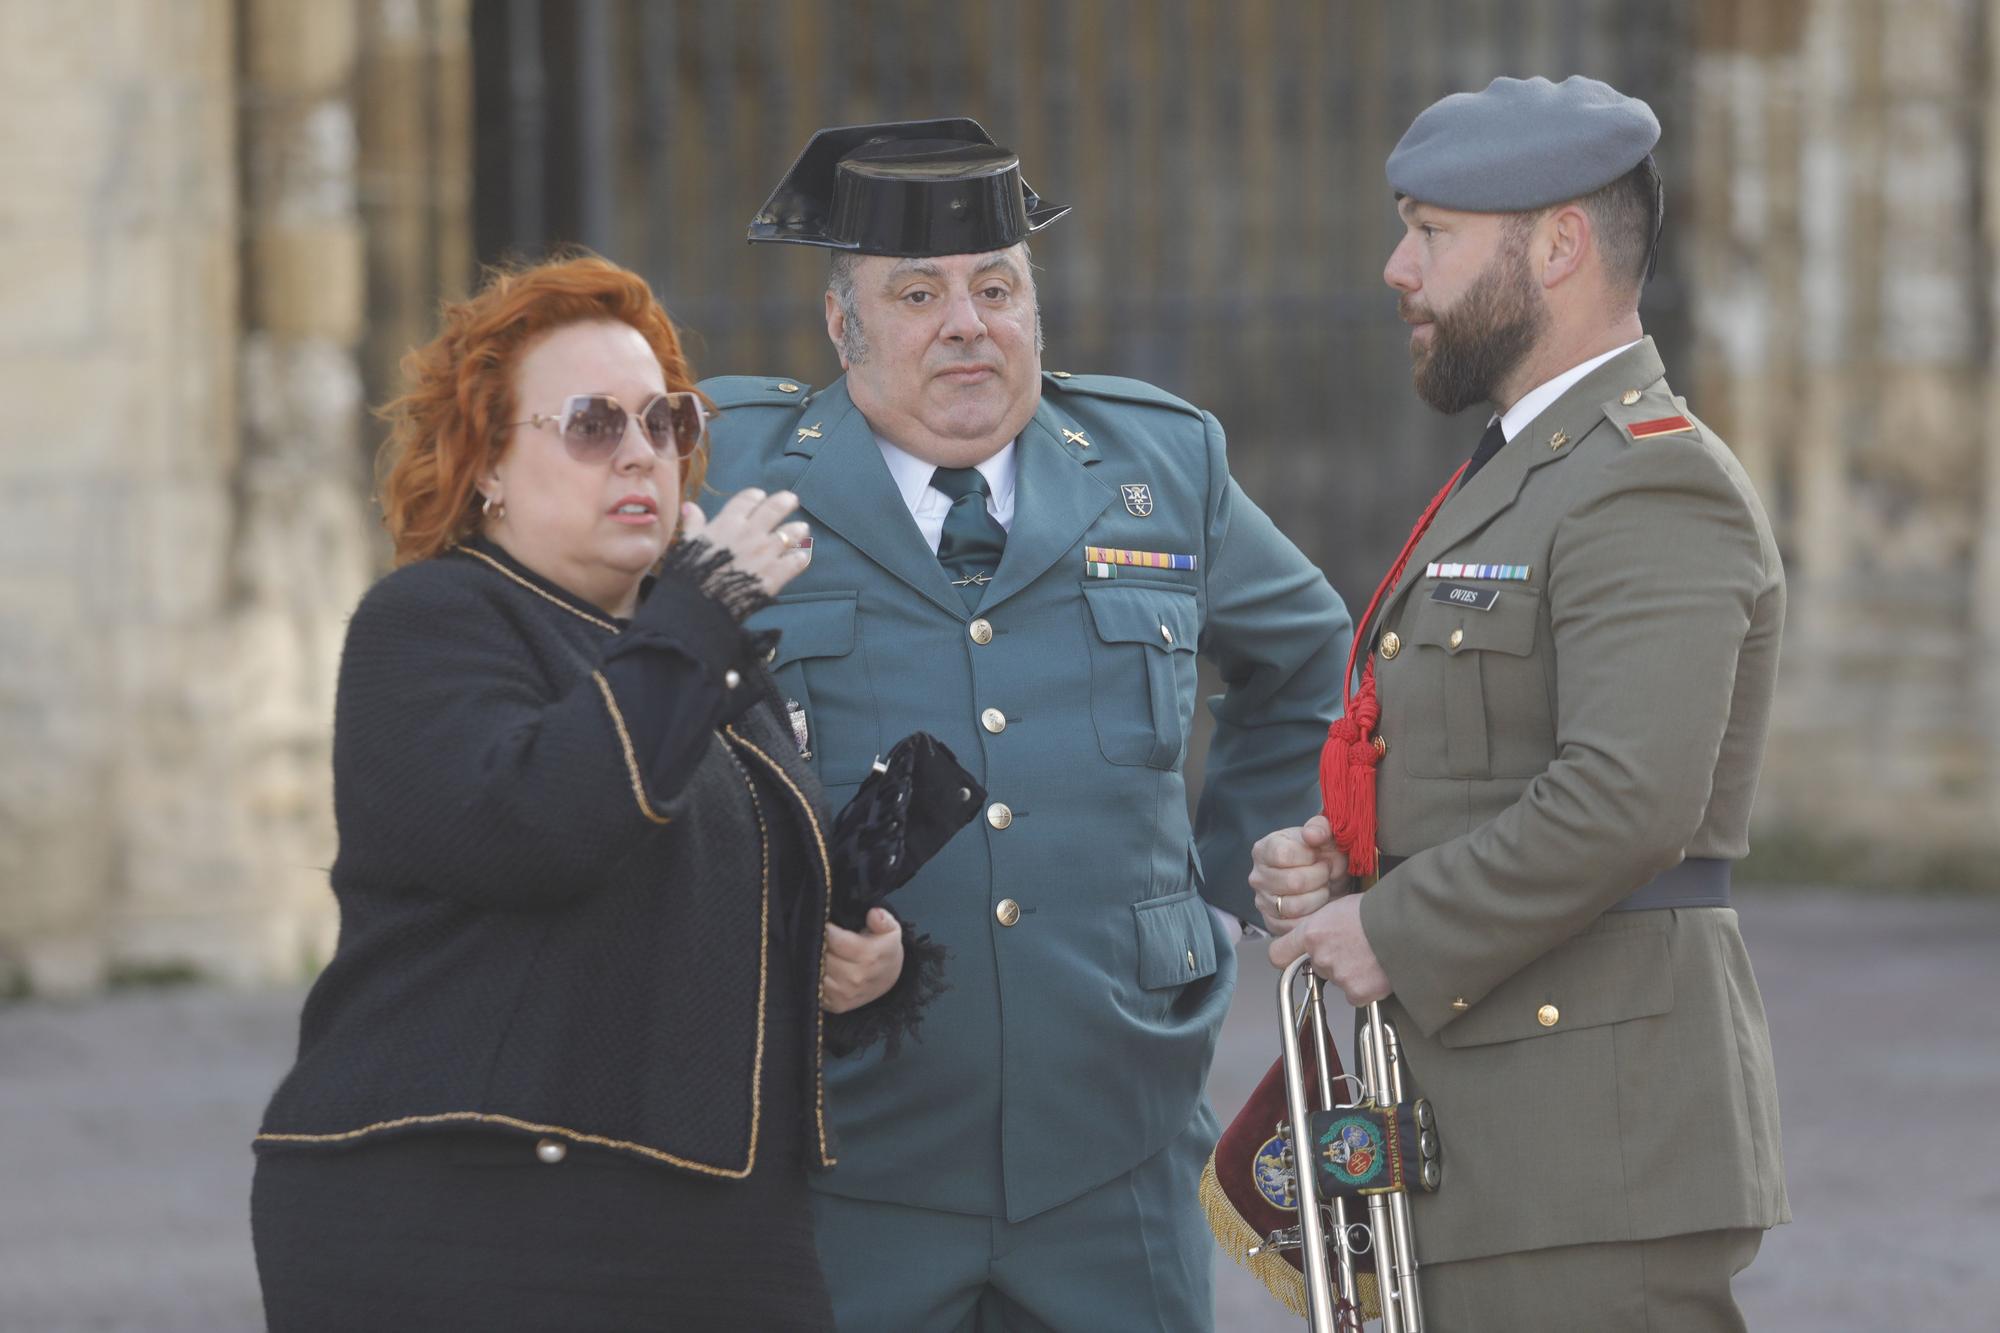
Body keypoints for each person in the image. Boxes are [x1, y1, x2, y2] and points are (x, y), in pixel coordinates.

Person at [699, 119, 1351, 1329]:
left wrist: (1218, 884)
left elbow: (1311, 652)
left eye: (997, 288)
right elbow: (639, 709)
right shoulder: (728, 470)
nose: (967, 323)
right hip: (848, 1152)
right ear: (841, 329)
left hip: (1114, 1149)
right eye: (916, 293)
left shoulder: (1156, 461)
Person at [250, 254, 909, 1332]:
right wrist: (701, 617)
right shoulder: (430, 621)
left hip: (707, 1219)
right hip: (461, 1214)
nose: (642, 453)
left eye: (666, 422)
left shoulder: (696, 654)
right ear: (488, 465)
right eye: (594, 424)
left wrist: (860, 965)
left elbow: (707, 911)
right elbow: (540, 826)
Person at [1253, 77, 1788, 1331]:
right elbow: (1480, 770)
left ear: (1555, 246)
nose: (1397, 268)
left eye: (1431, 232)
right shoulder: (1527, 472)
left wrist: (1392, 929)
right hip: (1498, 1131)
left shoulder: (1646, 484)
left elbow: (1627, 796)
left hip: (1592, 1147)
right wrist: (1341, 874)